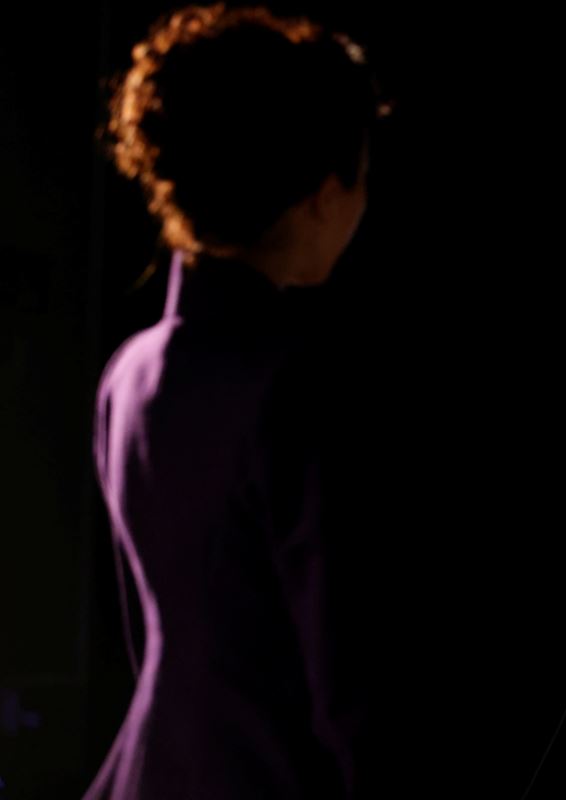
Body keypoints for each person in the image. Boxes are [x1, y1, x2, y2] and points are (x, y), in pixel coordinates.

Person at [86, 5, 389, 798]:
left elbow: (152, 635)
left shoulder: (130, 374)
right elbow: (351, 689)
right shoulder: (298, 386)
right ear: (320, 194)